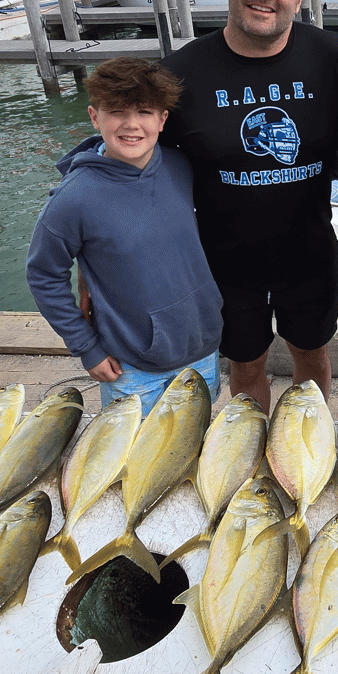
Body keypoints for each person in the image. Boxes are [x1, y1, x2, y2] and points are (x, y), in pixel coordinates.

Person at [162, 0, 338, 413]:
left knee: (313, 358)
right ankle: (252, 446)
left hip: (309, 254)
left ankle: (305, 445)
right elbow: (130, 161)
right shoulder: (181, 72)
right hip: (226, 264)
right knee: (245, 367)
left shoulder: (334, 57)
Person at [25, 56, 223, 416]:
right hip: (130, 366)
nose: (131, 125)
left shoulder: (182, 166)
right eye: (117, 111)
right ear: (94, 116)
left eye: (145, 112)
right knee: (133, 460)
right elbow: (43, 274)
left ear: (163, 120)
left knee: (195, 445)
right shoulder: (72, 198)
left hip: (203, 349)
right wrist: (86, 347)